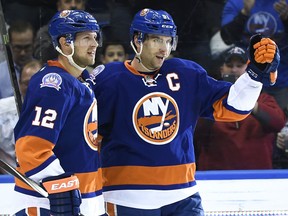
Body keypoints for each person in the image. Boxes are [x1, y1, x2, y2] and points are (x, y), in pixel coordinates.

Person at [92, 8, 279, 215]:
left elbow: (234, 107)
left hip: (182, 195)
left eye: (168, 40)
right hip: (127, 196)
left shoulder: (186, 74)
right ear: (137, 40)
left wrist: (254, 76)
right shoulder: (108, 79)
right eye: (156, 40)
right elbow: (86, 137)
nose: (164, 48)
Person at [13, 10, 105, 216]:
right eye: (86, 38)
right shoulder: (53, 83)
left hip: (84, 200)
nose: (95, 44)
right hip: (51, 205)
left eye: (95, 37)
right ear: (65, 43)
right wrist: (64, 189)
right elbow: (31, 149)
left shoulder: (78, 81)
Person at [194, 46, 286, 170]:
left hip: (259, 178)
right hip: (215, 178)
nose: (234, 70)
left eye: (239, 65)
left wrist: (248, 101)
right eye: (230, 65)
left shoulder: (264, 99)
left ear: (249, 70)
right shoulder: (209, 100)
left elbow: (278, 124)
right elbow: (196, 131)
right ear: (222, 70)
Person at [219, 0, 288, 111]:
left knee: (278, 123)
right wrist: (244, 13)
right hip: (245, 79)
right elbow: (227, 38)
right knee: (241, 121)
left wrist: (286, 19)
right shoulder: (236, 3)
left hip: (279, 78)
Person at [0, 59, 43, 173]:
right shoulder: (2, 110)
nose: (31, 88)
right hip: (8, 180)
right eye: (26, 83)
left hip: (46, 178)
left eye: (36, 82)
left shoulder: (59, 108)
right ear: (19, 84)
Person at [0, 20, 35, 99]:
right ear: (10, 45)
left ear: (33, 43)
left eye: (27, 47)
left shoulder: (43, 70)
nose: (22, 53)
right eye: (18, 48)